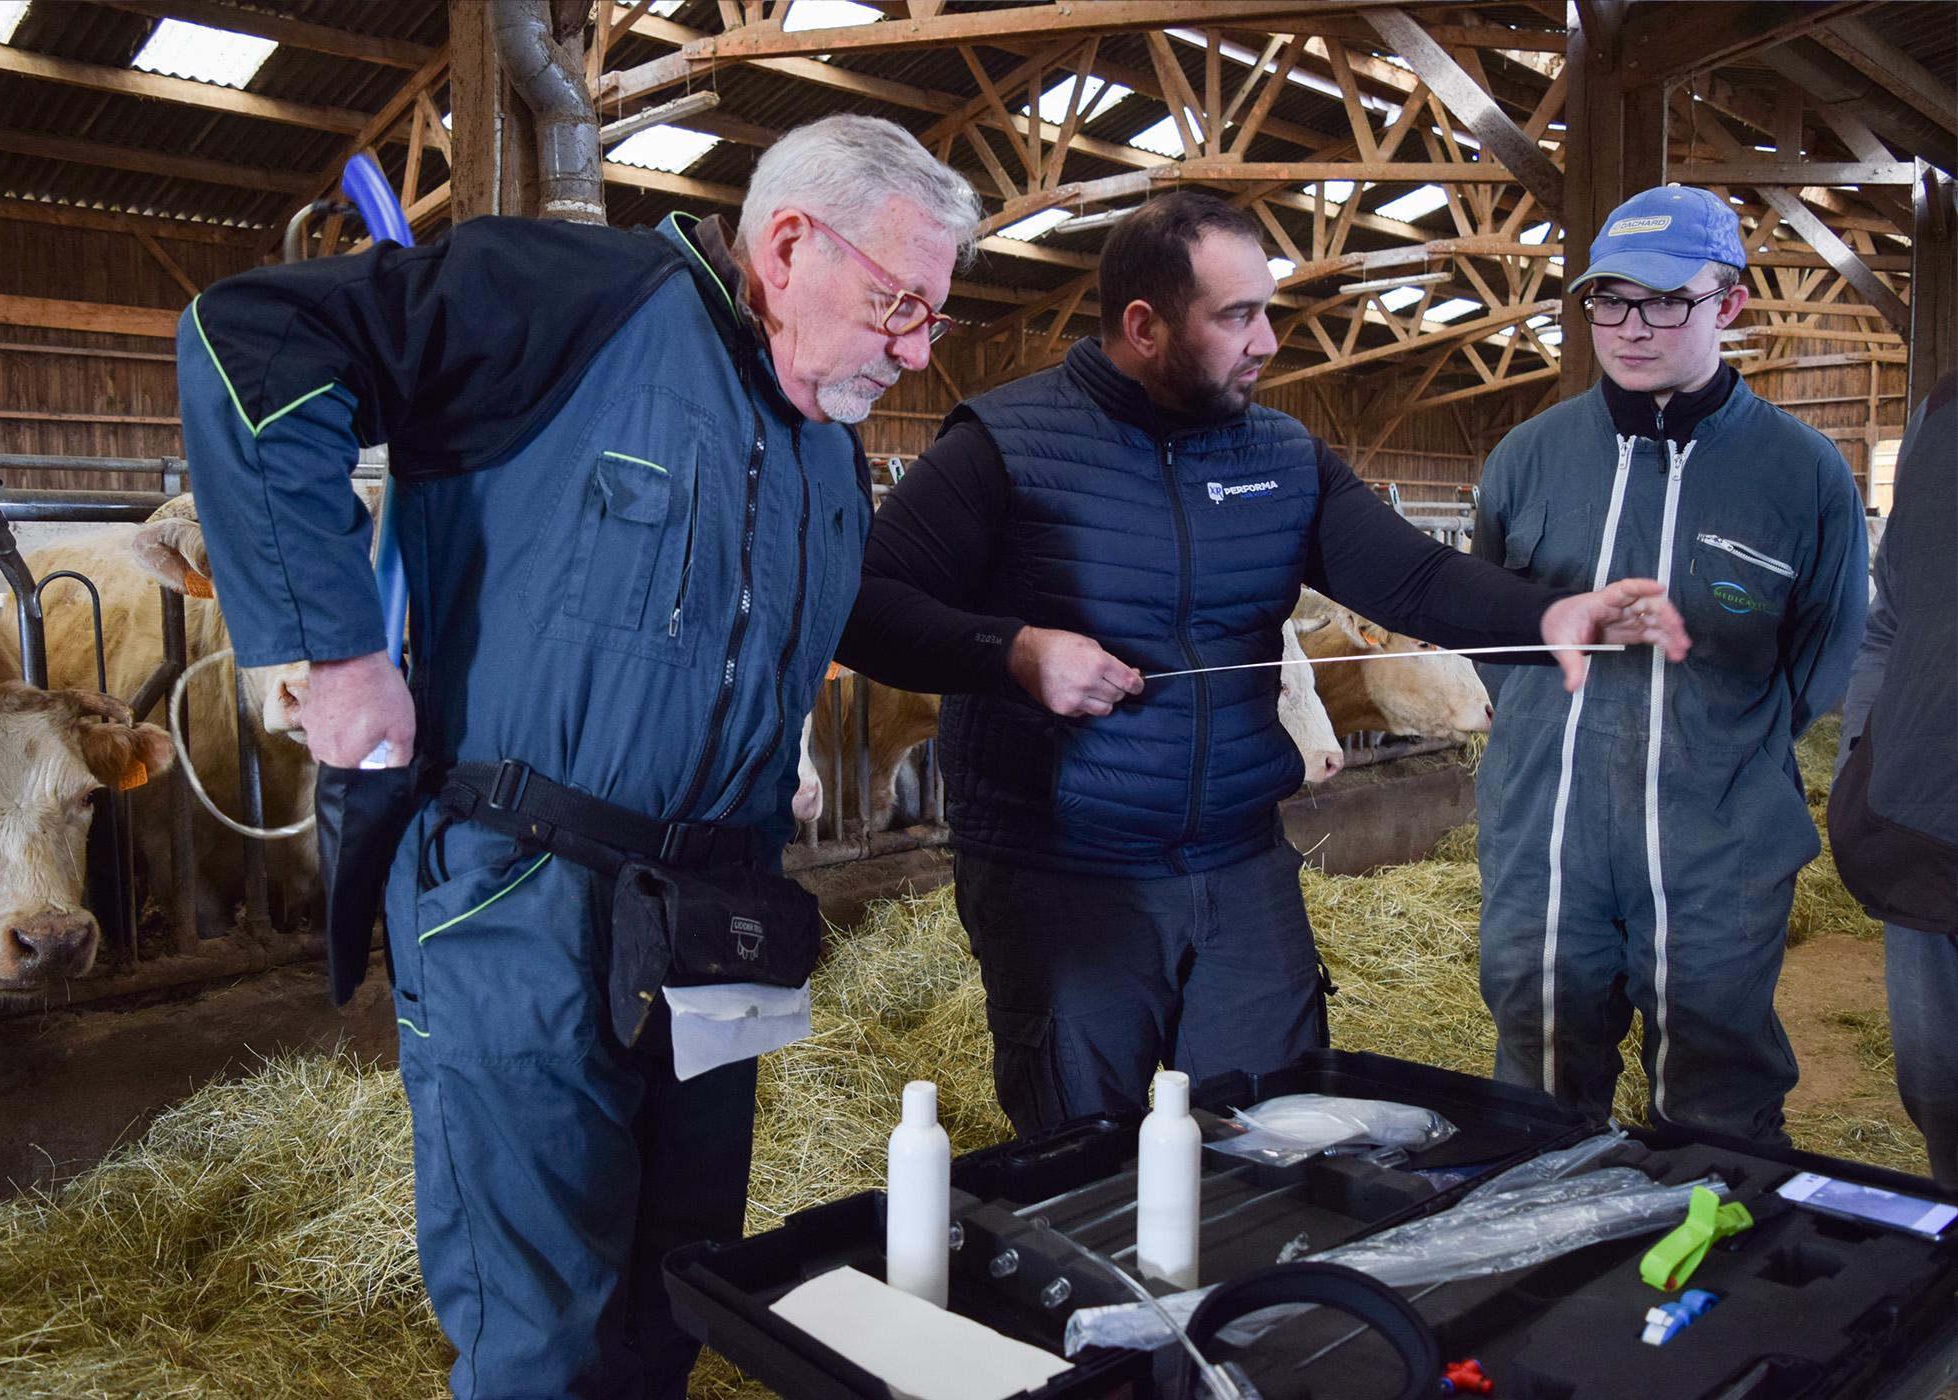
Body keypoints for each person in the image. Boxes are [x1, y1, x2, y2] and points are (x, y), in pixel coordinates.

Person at [176, 115, 980, 1399]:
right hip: (523, 898)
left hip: (718, 926)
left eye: (936, 317)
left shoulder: (831, 444)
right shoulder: (570, 299)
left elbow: (829, 621)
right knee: (541, 1327)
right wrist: (334, 647)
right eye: (899, 305)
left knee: (682, 1287)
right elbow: (250, 340)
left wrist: (1012, 652)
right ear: (788, 242)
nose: (917, 348)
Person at [836, 190, 1689, 1138]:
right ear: (1145, 325)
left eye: (1267, 310)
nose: (1270, 340)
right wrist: (1015, 653)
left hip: (1240, 868)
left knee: (1280, 1139)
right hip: (1062, 878)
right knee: (1089, 1159)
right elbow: (861, 609)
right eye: (1237, 315)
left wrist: (1551, 613)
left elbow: (1410, 575)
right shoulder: (1002, 448)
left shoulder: (1282, 456)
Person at [1471, 185, 1868, 1145]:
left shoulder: (1802, 473)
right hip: (1545, 830)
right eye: (1608, 299)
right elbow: (1489, 632)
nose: (1630, 327)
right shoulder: (1529, 457)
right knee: (1538, 1078)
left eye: (1664, 301)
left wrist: (1713, 745)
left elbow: (1821, 656)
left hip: (1718, 840)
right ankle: (1550, 1277)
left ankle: (1707, 1277)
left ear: (1728, 302)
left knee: (1716, 1092)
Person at [1833, 370, 1956, 1186]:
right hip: (1922, 824)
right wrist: (1860, 758)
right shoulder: (1942, 415)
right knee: (1936, 1081)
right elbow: (1890, 616)